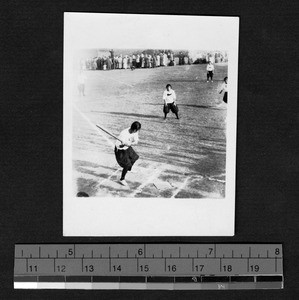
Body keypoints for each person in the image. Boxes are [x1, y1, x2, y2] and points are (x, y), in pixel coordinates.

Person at [114, 121, 141, 186]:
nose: (138, 131)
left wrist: (129, 144)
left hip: (127, 147)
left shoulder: (135, 132)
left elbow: (136, 141)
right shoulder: (123, 133)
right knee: (126, 164)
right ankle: (122, 179)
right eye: (137, 130)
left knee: (135, 157)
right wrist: (123, 144)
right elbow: (119, 146)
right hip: (120, 150)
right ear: (134, 129)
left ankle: (128, 169)